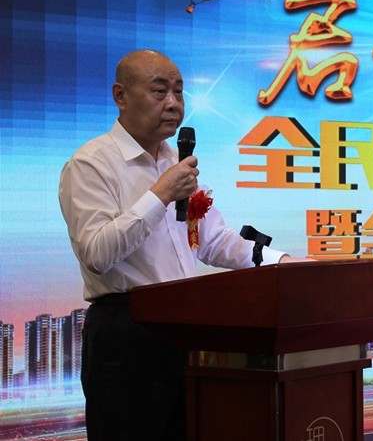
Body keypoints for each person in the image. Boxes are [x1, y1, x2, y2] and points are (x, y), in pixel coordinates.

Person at [58, 49, 298, 440]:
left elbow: (214, 240)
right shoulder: (91, 164)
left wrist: (283, 262)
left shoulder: (176, 162)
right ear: (121, 96)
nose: (173, 103)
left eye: (179, 92)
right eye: (159, 91)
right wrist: (159, 195)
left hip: (187, 329)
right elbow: (96, 253)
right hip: (128, 332)